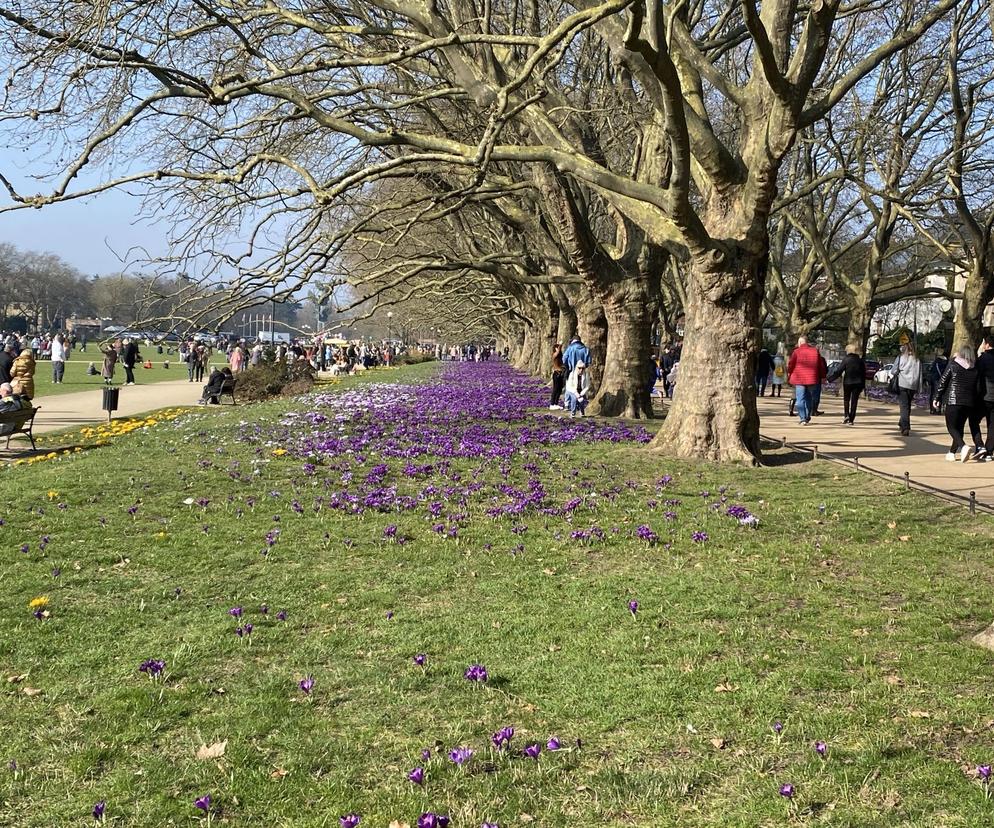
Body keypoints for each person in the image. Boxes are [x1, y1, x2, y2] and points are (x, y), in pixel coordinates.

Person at [935, 345, 980, 462]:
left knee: (951, 427)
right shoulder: (974, 369)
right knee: (959, 428)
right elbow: (977, 387)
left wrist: (936, 398)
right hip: (968, 402)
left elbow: (943, 381)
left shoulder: (953, 364)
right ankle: (951, 452)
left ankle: (963, 446)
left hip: (953, 400)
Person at [827, 345, 867, 425]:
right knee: (854, 401)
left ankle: (846, 415)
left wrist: (830, 379)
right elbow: (863, 374)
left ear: (848, 351)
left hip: (848, 382)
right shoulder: (860, 360)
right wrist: (863, 385)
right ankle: (852, 419)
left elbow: (839, 371)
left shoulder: (846, 359)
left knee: (846, 399)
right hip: (858, 382)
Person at [786, 336, 822, 425]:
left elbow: (791, 364)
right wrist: (822, 376)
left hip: (799, 379)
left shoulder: (796, 352)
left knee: (800, 399)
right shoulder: (814, 351)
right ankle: (807, 416)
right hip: (811, 378)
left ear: (800, 343)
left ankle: (803, 418)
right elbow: (820, 365)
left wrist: (789, 373)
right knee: (809, 398)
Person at [892, 342, 922, 436]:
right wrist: (920, 387)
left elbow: (893, 371)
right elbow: (920, 374)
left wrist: (899, 371)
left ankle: (905, 427)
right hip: (913, 385)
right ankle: (902, 422)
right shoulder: (917, 359)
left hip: (902, 383)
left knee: (904, 406)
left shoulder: (901, 358)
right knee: (907, 405)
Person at [974, 337, 994, 460]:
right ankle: (989, 451)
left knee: (974, 420)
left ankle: (980, 445)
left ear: (986, 345)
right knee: (992, 425)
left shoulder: (983, 359)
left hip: (985, 396)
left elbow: (977, 376)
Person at [549, 343, 566, 410]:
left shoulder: (560, 357)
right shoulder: (554, 355)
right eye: (557, 348)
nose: (559, 349)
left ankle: (556, 403)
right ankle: (552, 404)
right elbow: (557, 352)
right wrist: (560, 345)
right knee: (555, 389)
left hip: (561, 374)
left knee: (559, 389)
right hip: (556, 374)